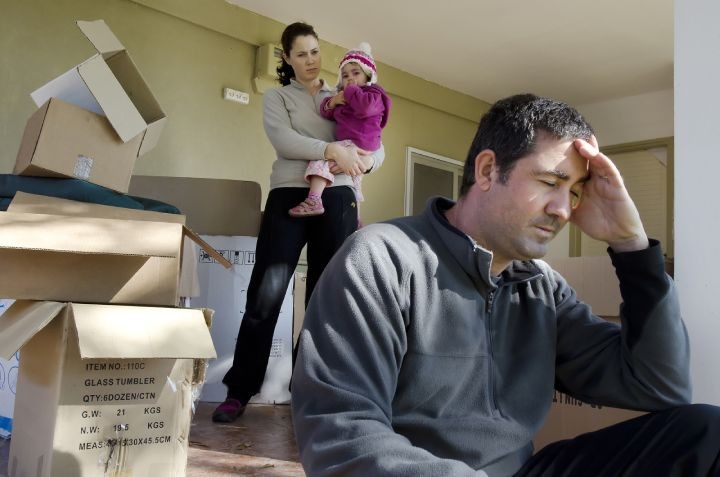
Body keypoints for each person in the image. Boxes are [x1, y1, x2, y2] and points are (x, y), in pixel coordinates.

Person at [291, 94, 720, 476]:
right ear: (487, 169)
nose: (563, 209)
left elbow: (661, 385)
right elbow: (340, 435)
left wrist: (632, 246)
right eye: (551, 183)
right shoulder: (382, 259)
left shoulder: (541, 288)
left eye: (574, 192)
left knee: (706, 432)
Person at [212, 21, 385, 423]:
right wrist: (330, 149)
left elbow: (376, 141)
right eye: (301, 53)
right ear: (287, 58)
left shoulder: (344, 91)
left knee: (326, 299)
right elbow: (284, 141)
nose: (310, 60)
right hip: (289, 194)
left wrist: (365, 161)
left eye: (314, 51)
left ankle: (309, 392)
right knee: (266, 294)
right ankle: (239, 389)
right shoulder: (277, 98)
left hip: (339, 197)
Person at [289, 42, 391, 217]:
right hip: (354, 145)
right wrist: (333, 101)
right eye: (345, 75)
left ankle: (314, 199)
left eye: (356, 73)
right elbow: (329, 113)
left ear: (368, 75)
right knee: (354, 184)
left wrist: (350, 90)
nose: (350, 78)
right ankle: (356, 218)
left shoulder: (374, 94)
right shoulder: (345, 97)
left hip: (360, 142)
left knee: (321, 161)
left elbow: (365, 109)